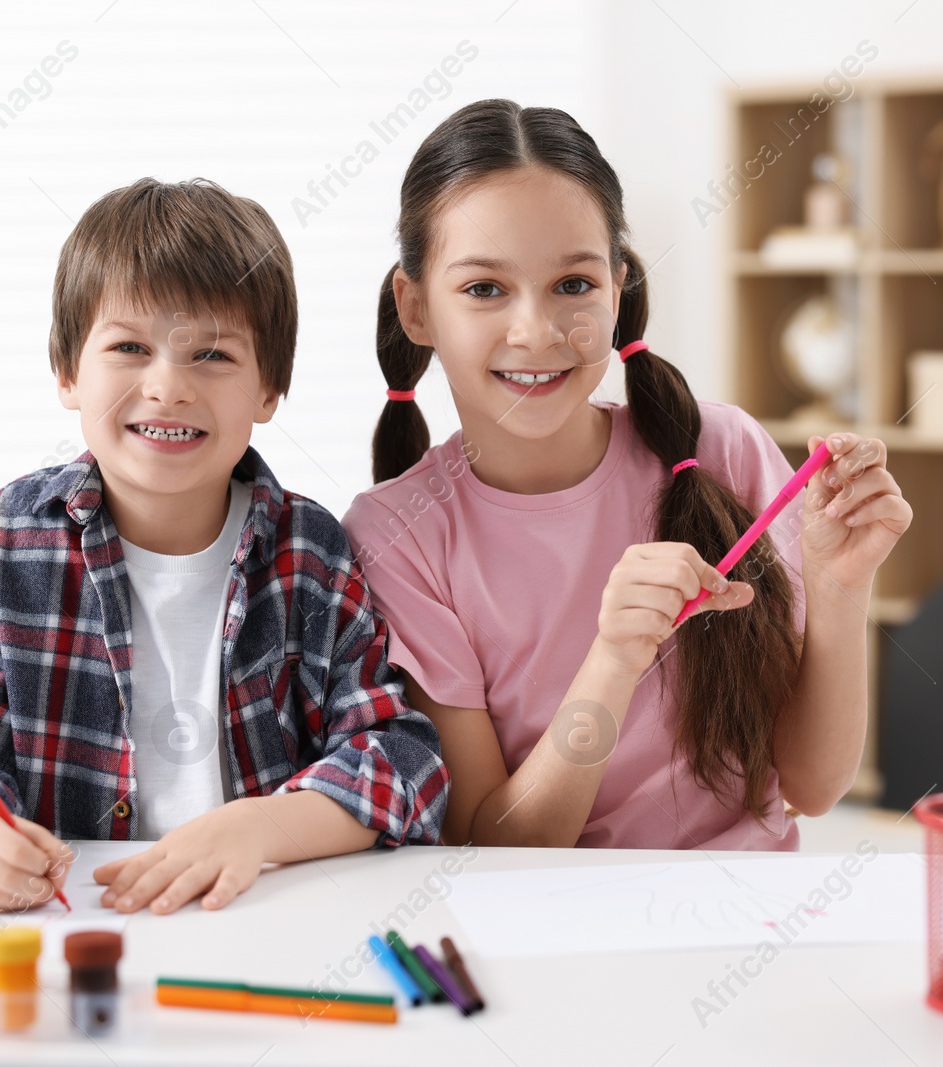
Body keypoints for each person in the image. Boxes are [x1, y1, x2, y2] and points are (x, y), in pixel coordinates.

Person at [343, 99, 911, 851]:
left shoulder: (722, 449)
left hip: (753, 918)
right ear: (415, 309)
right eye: (484, 289)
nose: (537, 332)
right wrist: (613, 661)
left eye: (574, 284)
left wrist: (840, 589)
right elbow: (494, 847)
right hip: (558, 939)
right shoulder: (397, 533)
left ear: (618, 290)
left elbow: (812, 784)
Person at [0, 178, 447, 914]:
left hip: (263, 916)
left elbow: (407, 762)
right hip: (76, 928)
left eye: (211, 354)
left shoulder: (310, 551)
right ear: (67, 373)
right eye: (129, 347)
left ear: (269, 390)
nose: (167, 387)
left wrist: (263, 826)